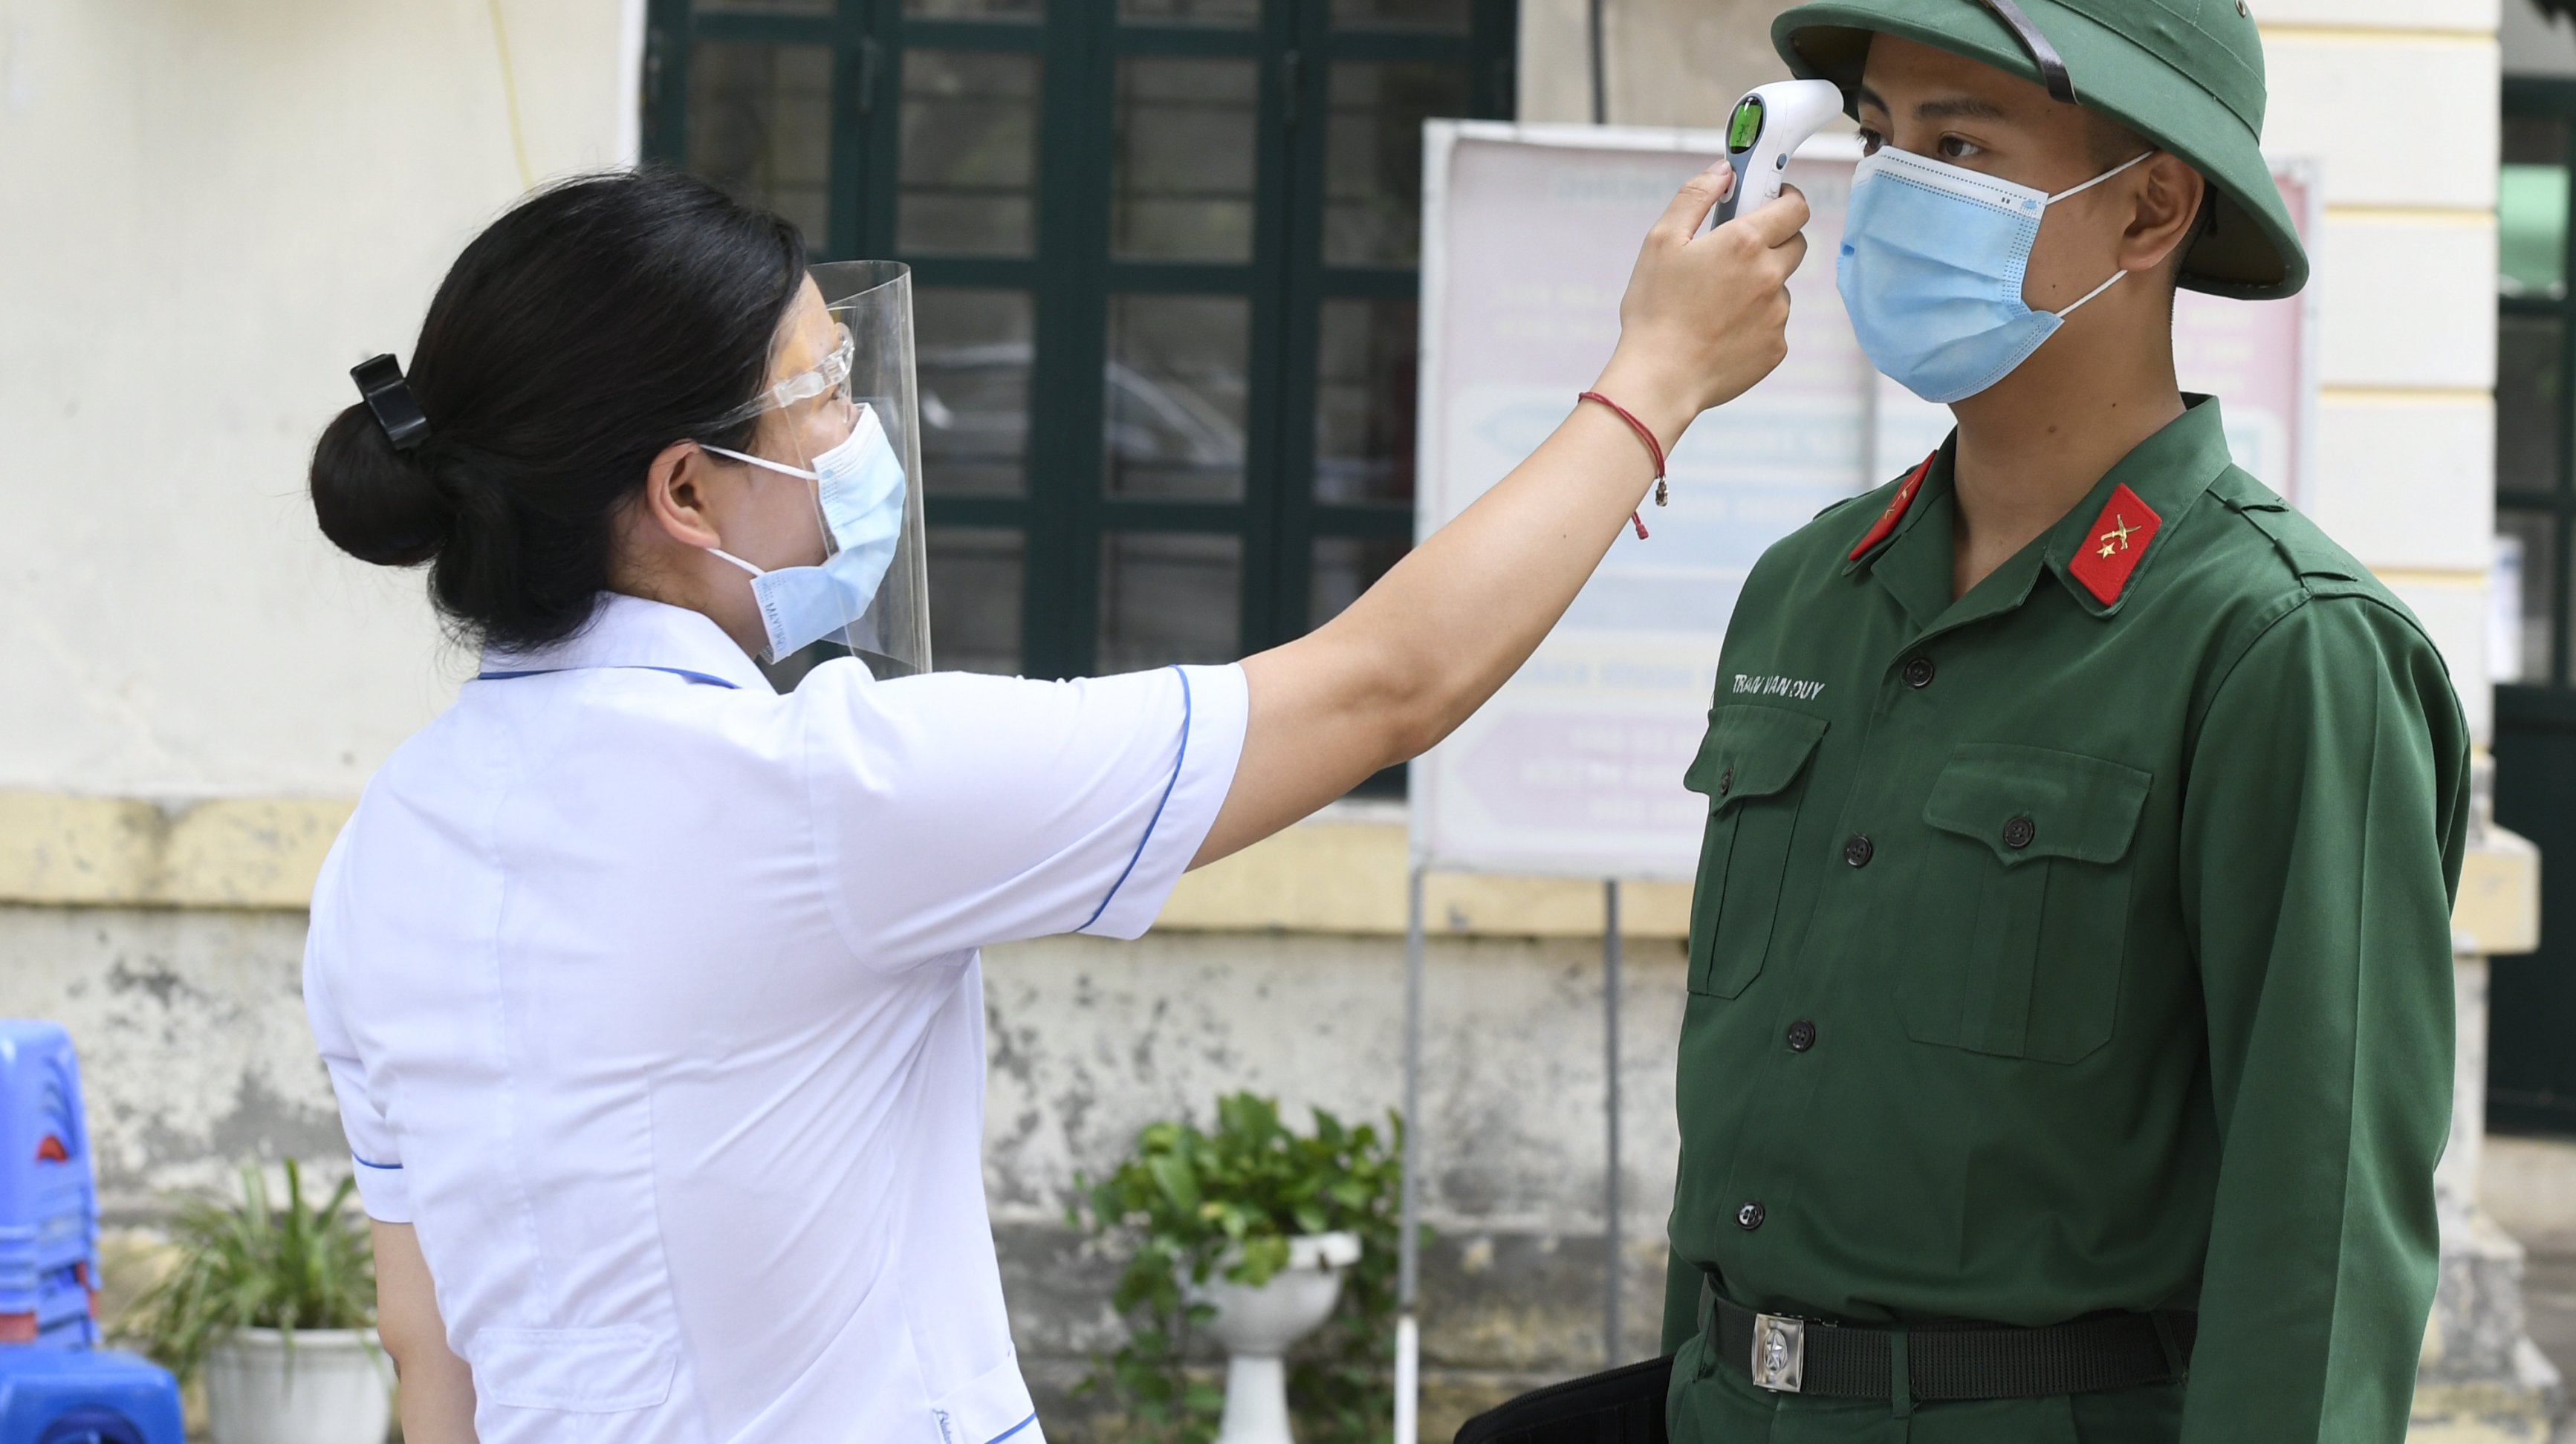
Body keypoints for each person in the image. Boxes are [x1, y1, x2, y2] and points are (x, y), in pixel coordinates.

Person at [299, 161, 1806, 1444]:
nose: (864, 433)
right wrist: (1657, 373)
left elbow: (431, 1350)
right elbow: (1382, 684)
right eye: (822, 393)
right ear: (687, 491)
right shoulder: (817, 794)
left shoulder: (384, 851)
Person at [1658, 0, 2470, 1444]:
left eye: (1960, 150)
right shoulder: (1803, 595)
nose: (1896, 190)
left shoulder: (2280, 648)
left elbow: (2319, 1240)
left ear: (2149, 213)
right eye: (1884, 138)